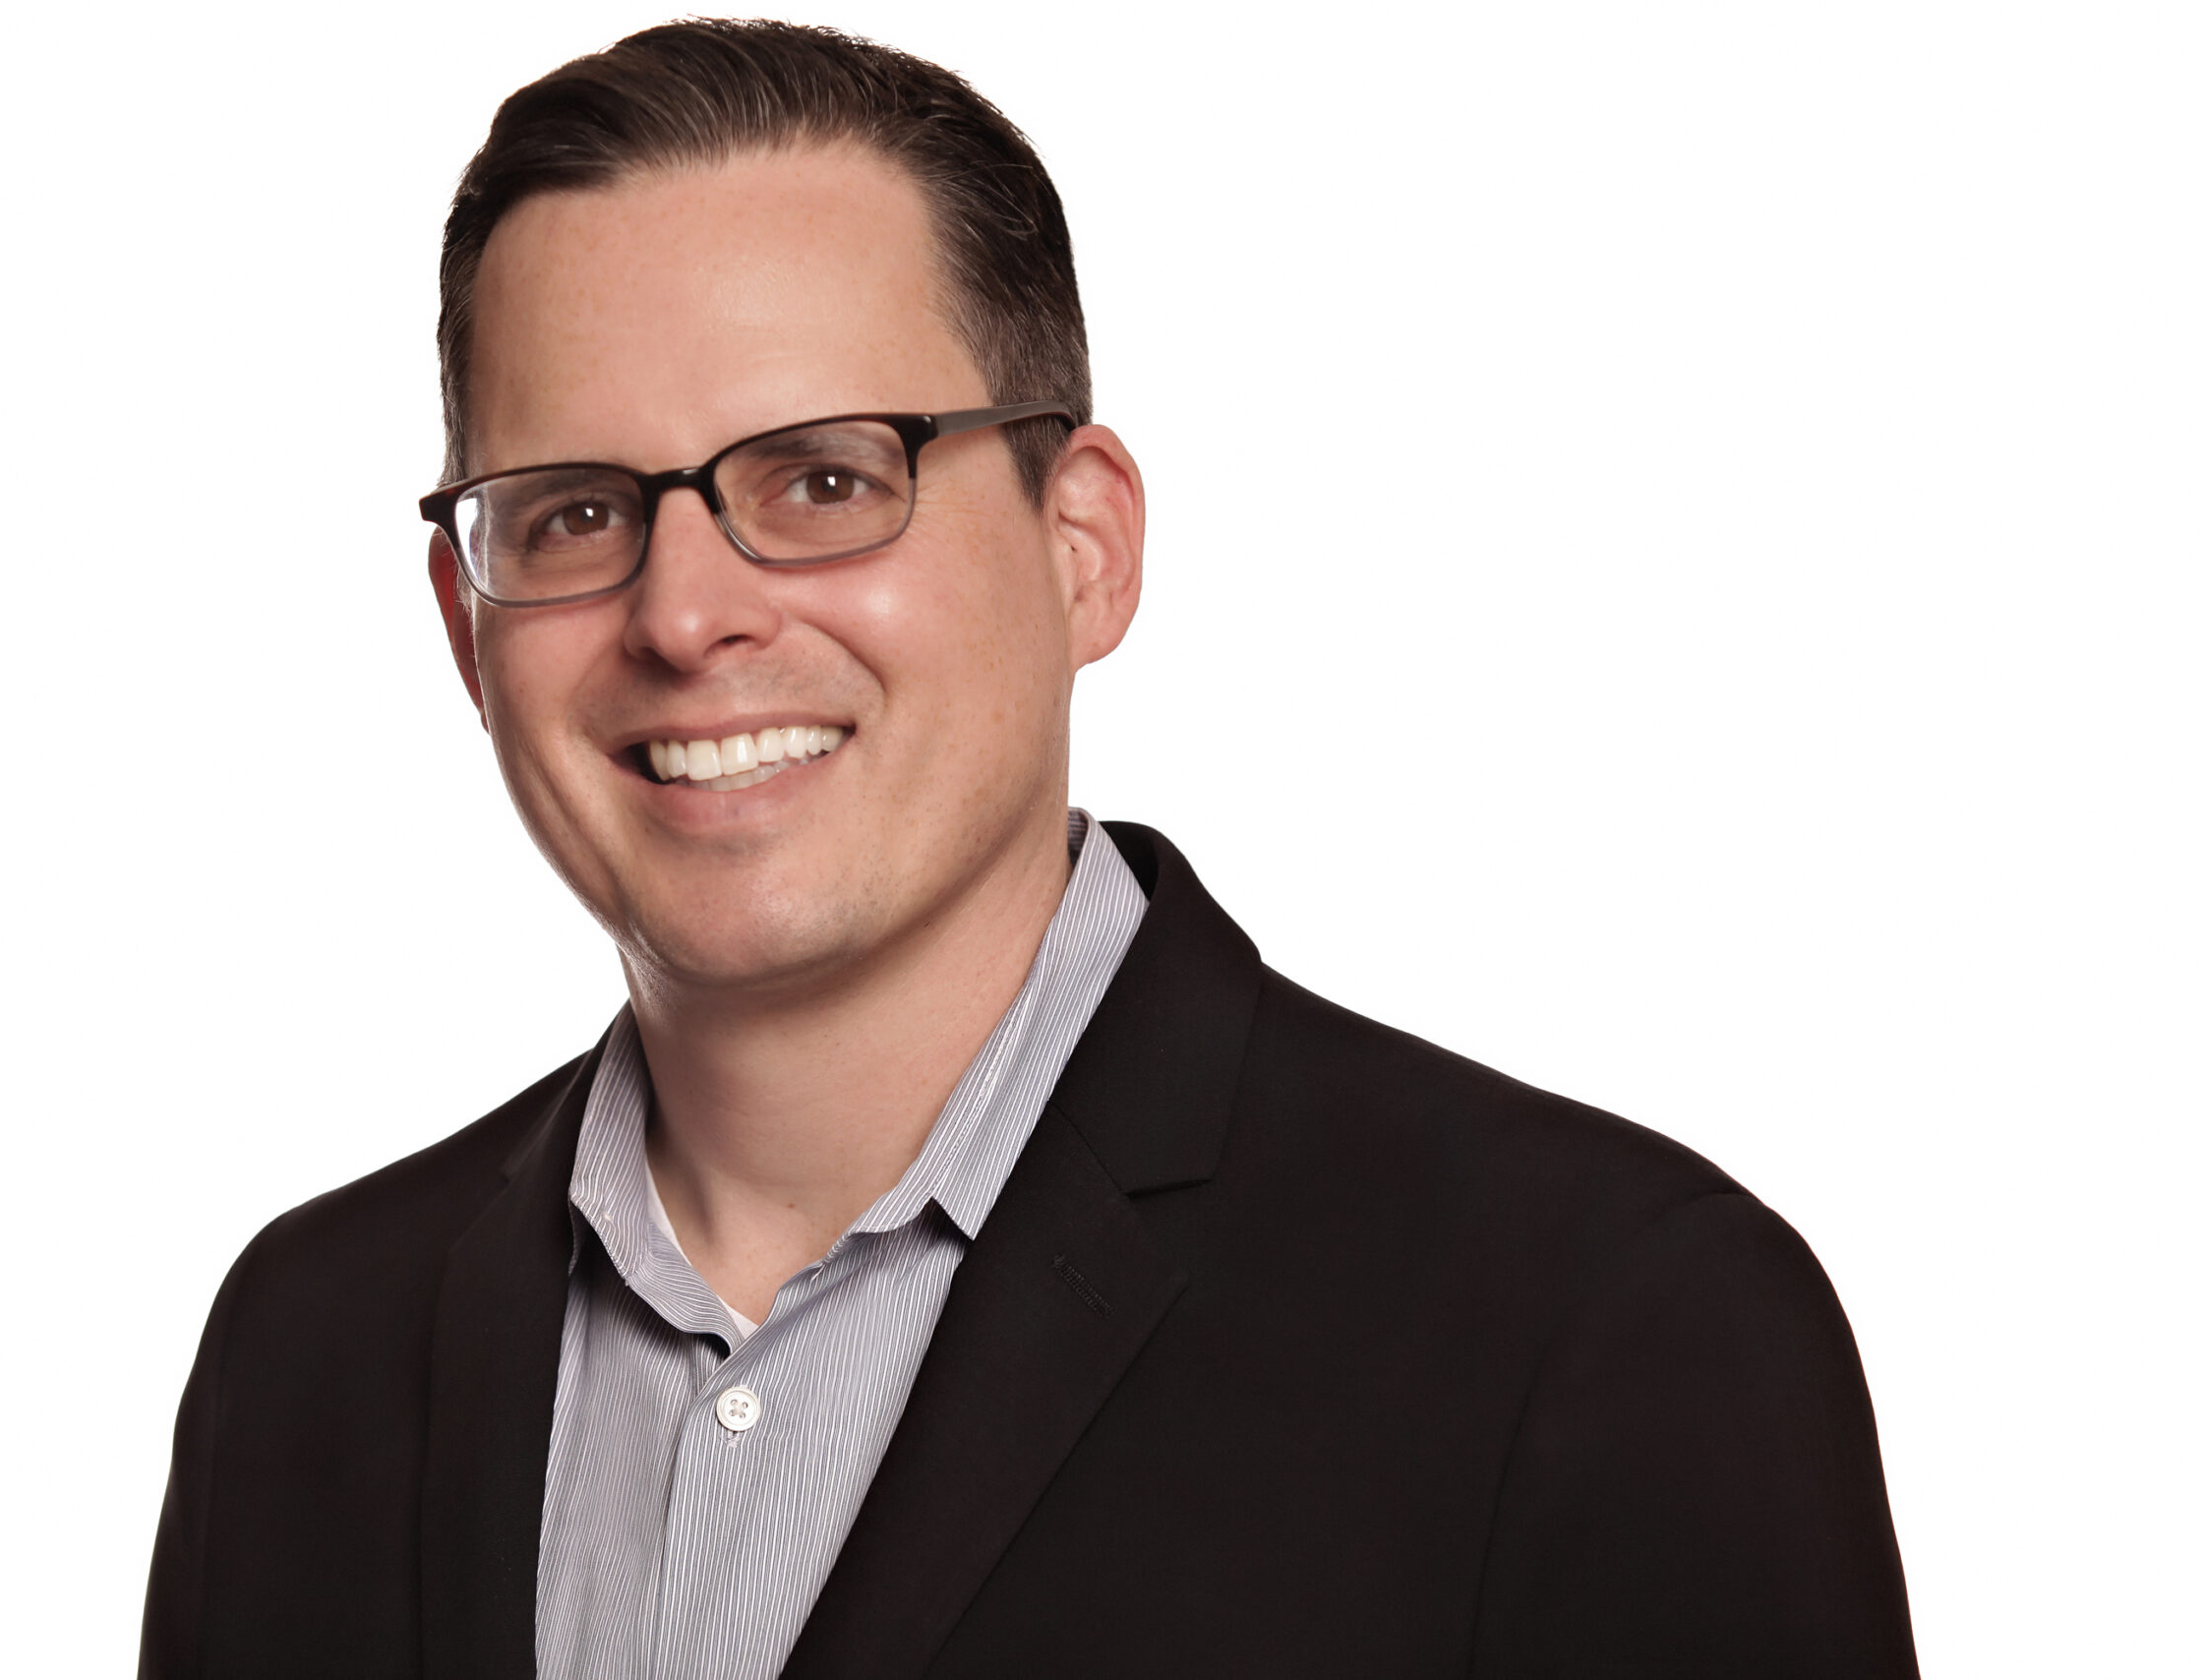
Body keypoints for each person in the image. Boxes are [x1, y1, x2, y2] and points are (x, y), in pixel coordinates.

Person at [141, 20, 1918, 1678]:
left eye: (824, 480)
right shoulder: (309, 1354)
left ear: (1086, 545)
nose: (686, 614)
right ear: (468, 625)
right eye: (577, 512)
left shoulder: (1606, 1328)